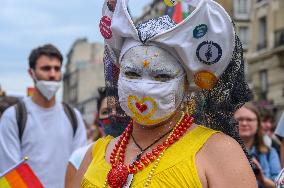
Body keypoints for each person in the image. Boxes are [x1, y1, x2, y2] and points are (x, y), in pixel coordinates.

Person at [74, 0, 257, 187]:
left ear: (186, 84)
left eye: (162, 76)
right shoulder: (95, 154)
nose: (144, 88)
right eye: (132, 73)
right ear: (118, 75)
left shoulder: (219, 152)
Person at [0, 44, 87, 188]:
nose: (52, 74)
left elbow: (81, 165)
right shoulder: (14, 117)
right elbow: (10, 173)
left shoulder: (73, 116)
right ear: (31, 72)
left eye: (57, 69)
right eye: (46, 68)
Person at [65, 87, 128, 187]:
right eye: (106, 112)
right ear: (98, 119)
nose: (113, 115)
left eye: (119, 109)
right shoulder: (81, 155)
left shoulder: (140, 153)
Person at [234, 102, 281, 187]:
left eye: (249, 119)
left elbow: (279, 185)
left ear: (258, 123)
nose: (244, 123)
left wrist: (262, 179)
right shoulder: (222, 153)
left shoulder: (270, 153)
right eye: (240, 119)